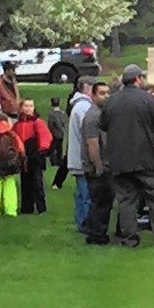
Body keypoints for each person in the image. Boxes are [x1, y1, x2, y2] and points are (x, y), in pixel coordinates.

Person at [98, 64, 154, 248]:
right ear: (138, 79)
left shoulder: (111, 101)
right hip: (147, 158)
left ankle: (129, 239)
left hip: (120, 159)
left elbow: (103, 126)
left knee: (127, 200)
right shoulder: (148, 100)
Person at [82, 81, 114, 245]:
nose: (106, 96)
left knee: (103, 201)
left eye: (108, 93)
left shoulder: (103, 113)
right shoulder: (93, 116)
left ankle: (90, 226)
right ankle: (96, 235)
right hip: (96, 167)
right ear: (93, 96)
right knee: (101, 201)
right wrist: (99, 166)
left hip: (104, 164)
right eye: (102, 93)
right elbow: (92, 143)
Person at [66, 76, 97, 231]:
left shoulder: (77, 106)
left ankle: (81, 222)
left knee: (80, 193)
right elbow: (89, 135)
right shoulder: (84, 108)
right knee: (86, 195)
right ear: (87, 88)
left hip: (76, 156)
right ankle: (86, 224)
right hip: (82, 158)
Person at [14, 98, 53, 214]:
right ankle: (27, 208)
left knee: (37, 182)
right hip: (24, 156)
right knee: (25, 182)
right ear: (21, 108)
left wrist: (42, 149)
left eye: (31, 106)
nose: (28, 108)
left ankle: (41, 208)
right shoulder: (18, 124)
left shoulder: (37, 122)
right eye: (26, 106)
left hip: (35, 155)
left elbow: (46, 136)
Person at [0, 115, 25, 218]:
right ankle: (10, 210)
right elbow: (21, 149)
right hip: (10, 166)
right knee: (10, 188)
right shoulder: (12, 134)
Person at [47, 96, 67, 168]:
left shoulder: (51, 114)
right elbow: (64, 122)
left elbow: (50, 125)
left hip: (54, 133)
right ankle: (59, 160)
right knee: (60, 147)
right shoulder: (62, 113)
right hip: (61, 133)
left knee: (53, 148)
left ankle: (54, 161)